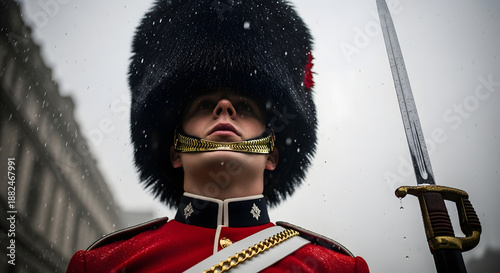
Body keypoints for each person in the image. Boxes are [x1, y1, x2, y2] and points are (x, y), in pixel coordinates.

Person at [66, 0, 369, 272]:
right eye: (206, 105)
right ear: (175, 151)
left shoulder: (337, 268)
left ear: (272, 155)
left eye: (244, 107)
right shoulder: (102, 265)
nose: (224, 108)